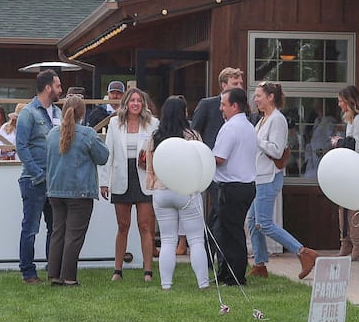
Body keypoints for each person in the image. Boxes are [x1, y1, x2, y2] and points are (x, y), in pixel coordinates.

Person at [248, 81, 320, 279]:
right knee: (253, 221)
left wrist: (256, 140)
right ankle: (260, 264)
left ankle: (303, 252)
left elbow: (277, 150)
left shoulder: (277, 119)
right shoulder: (263, 119)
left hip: (269, 177)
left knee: (263, 222)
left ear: (271, 97)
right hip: (260, 177)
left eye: (259, 95)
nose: (255, 99)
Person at [44, 94, 109, 285]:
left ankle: (55, 274)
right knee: (74, 235)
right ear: (83, 113)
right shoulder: (87, 133)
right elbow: (103, 156)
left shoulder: (51, 134)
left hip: (55, 190)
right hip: (79, 191)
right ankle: (69, 277)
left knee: (58, 232)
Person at [147, 96, 210, 290]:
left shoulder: (155, 137)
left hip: (161, 191)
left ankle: (166, 284)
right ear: (183, 113)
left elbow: (150, 168)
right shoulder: (192, 136)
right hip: (187, 192)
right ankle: (203, 283)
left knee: (167, 240)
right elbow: (201, 163)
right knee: (196, 239)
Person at [99, 86, 158, 281]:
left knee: (145, 226)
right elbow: (109, 154)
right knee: (123, 225)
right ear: (126, 103)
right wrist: (104, 182)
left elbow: (159, 151)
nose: (135, 104)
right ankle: (118, 270)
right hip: (121, 177)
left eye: (138, 101)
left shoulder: (153, 124)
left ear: (143, 104)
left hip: (143, 176)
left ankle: (148, 271)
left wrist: (149, 161)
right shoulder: (115, 123)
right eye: (132, 100)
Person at [16, 69, 63, 285]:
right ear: (48, 88)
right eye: (58, 86)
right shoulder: (29, 113)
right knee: (31, 228)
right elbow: (21, 146)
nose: (60, 90)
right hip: (34, 181)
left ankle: (52, 270)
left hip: (54, 180)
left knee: (55, 228)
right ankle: (28, 272)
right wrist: (37, 173)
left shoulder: (59, 114)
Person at [211, 85, 258, 286]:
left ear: (235, 106)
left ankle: (235, 276)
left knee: (232, 233)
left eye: (223, 104)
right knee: (229, 230)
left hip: (232, 186)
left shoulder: (231, 127)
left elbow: (220, 157)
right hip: (246, 185)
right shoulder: (248, 126)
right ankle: (225, 272)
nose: (221, 108)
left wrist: (203, 158)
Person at [335, 84, 359, 260]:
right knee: (343, 208)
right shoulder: (350, 120)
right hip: (347, 168)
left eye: (341, 101)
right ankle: (346, 242)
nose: (339, 104)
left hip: (357, 168)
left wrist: (339, 143)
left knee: (354, 208)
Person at [193, 67, 245, 146]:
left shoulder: (242, 107)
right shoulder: (207, 105)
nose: (240, 87)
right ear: (224, 85)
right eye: (235, 84)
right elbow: (195, 132)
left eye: (241, 83)